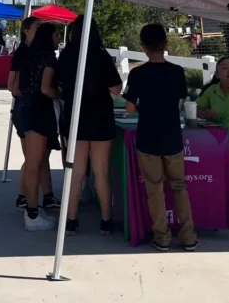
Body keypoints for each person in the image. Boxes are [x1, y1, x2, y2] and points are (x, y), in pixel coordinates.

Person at [124, 24, 197, 252]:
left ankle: (162, 237)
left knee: (154, 189)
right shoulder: (176, 71)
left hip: (148, 137)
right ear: (166, 44)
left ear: (143, 47)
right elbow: (180, 101)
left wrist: (140, 108)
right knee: (179, 187)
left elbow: (129, 107)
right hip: (173, 136)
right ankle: (188, 236)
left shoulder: (137, 74)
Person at [57, 15, 123, 236]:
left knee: (75, 173)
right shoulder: (101, 57)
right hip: (101, 118)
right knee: (101, 173)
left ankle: (71, 220)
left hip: (75, 119)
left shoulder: (66, 56)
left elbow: (57, 85)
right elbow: (116, 89)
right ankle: (106, 221)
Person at [11, 22, 61, 230]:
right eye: (57, 34)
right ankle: (32, 214)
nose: (59, 38)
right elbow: (46, 89)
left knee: (33, 162)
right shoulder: (48, 59)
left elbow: (14, 87)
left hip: (22, 109)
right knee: (34, 164)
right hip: (38, 112)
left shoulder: (26, 56)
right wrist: (62, 96)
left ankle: (32, 207)